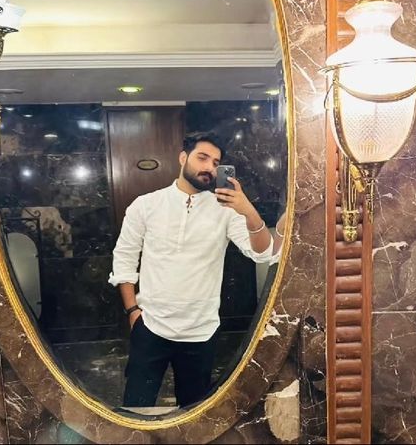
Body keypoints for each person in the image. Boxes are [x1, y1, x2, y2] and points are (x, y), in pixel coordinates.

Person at [109, 131, 286, 408]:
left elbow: (263, 253)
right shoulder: (146, 205)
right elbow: (125, 258)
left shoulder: (226, 210)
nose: (209, 168)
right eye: (202, 158)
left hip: (200, 332)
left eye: (216, 163)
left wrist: (248, 210)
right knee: (136, 407)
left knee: (195, 415)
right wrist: (133, 310)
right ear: (183, 158)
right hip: (151, 326)